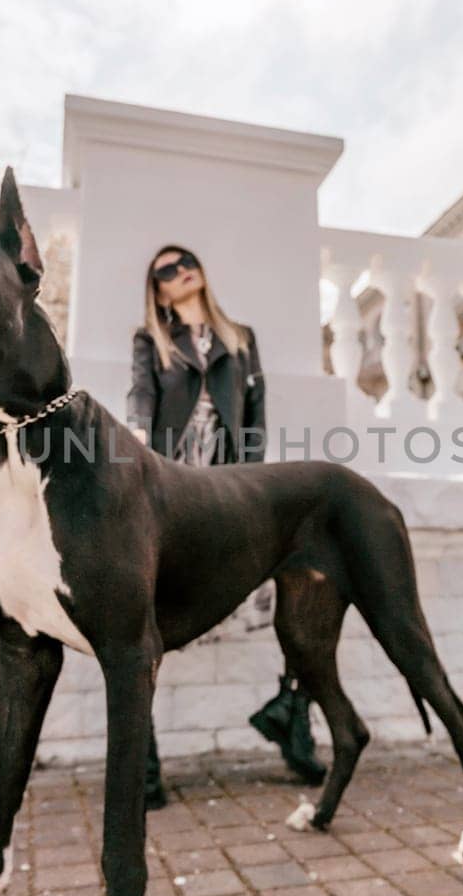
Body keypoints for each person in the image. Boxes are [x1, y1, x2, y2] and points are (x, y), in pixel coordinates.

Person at [127, 244, 325, 807]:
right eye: (166, 269)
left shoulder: (240, 336)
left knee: (301, 581)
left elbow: (256, 411)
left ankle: (293, 713)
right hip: (174, 482)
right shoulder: (152, 340)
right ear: (158, 289)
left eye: (185, 260)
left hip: (233, 480)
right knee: (144, 612)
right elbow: (141, 391)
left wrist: (258, 476)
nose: (180, 270)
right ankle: (142, 764)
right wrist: (138, 434)